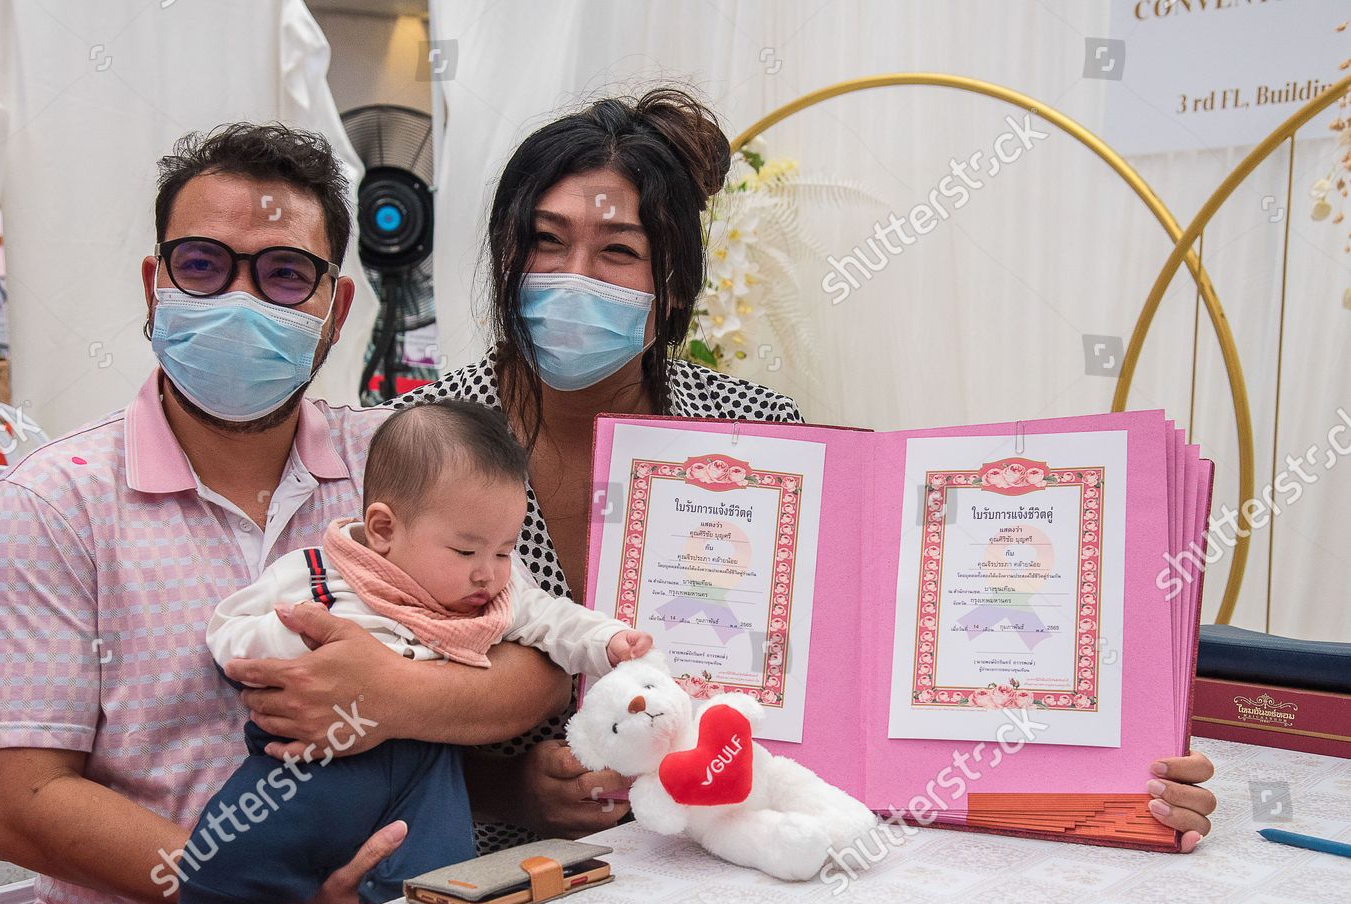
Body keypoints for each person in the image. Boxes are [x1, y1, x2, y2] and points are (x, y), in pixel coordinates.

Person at [391, 86, 1219, 856]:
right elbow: (364, 716)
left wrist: (1113, 780)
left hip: (717, 864)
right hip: (488, 878)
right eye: (546, 240)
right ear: (505, 248)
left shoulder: (764, 440)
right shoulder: (416, 445)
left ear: (673, 281)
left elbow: (857, 705)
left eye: (617, 250)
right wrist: (507, 788)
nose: (574, 276)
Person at [0, 124, 578, 904]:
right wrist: (258, 896)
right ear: (155, 285)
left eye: (283, 274)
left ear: (336, 310)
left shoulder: (395, 466)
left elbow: (539, 657)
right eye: (203, 265)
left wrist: (395, 697)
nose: (240, 299)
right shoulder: (56, 505)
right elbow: (20, 805)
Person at [178, 399, 651, 904]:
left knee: (439, 877)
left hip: (431, 768)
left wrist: (608, 641)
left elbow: (553, 619)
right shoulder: (321, 578)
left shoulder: (493, 596)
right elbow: (229, 629)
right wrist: (295, 650)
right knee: (234, 853)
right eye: (467, 550)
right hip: (310, 764)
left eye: (505, 550)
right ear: (383, 529)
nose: (489, 571)